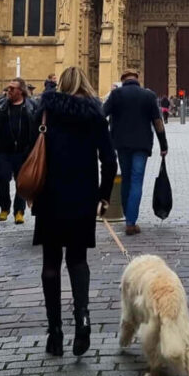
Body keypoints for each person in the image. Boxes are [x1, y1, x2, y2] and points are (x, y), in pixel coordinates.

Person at [32, 65, 116, 358]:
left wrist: (29, 192)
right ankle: (82, 320)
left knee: (51, 263)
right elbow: (109, 159)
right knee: (77, 260)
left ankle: (54, 331)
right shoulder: (93, 114)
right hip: (82, 196)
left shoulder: (45, 112)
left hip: (49, 196)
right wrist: (104, 197)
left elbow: (29, 152)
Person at [102, 69, 167, 235]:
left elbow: (101, 114)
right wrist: (163, 144)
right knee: (137, 180)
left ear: (123, 80)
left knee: (126, 178)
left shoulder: (116, 95)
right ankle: (131, 221)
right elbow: (158, 121)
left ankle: (127, 214)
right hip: (142, 145)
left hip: (121, 144)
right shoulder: (148, 95)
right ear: (137, 79)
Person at [0, 78, 36, 223]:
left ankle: (19, 211)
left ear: (21, 91)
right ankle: (4, 207)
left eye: (12, 88)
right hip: (3, 151)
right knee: (2, 178)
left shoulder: (31, 106)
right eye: (8, 88)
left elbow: (37, 128)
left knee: (21, 182)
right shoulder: (1, 106)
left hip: (23, 152)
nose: (9, 91)